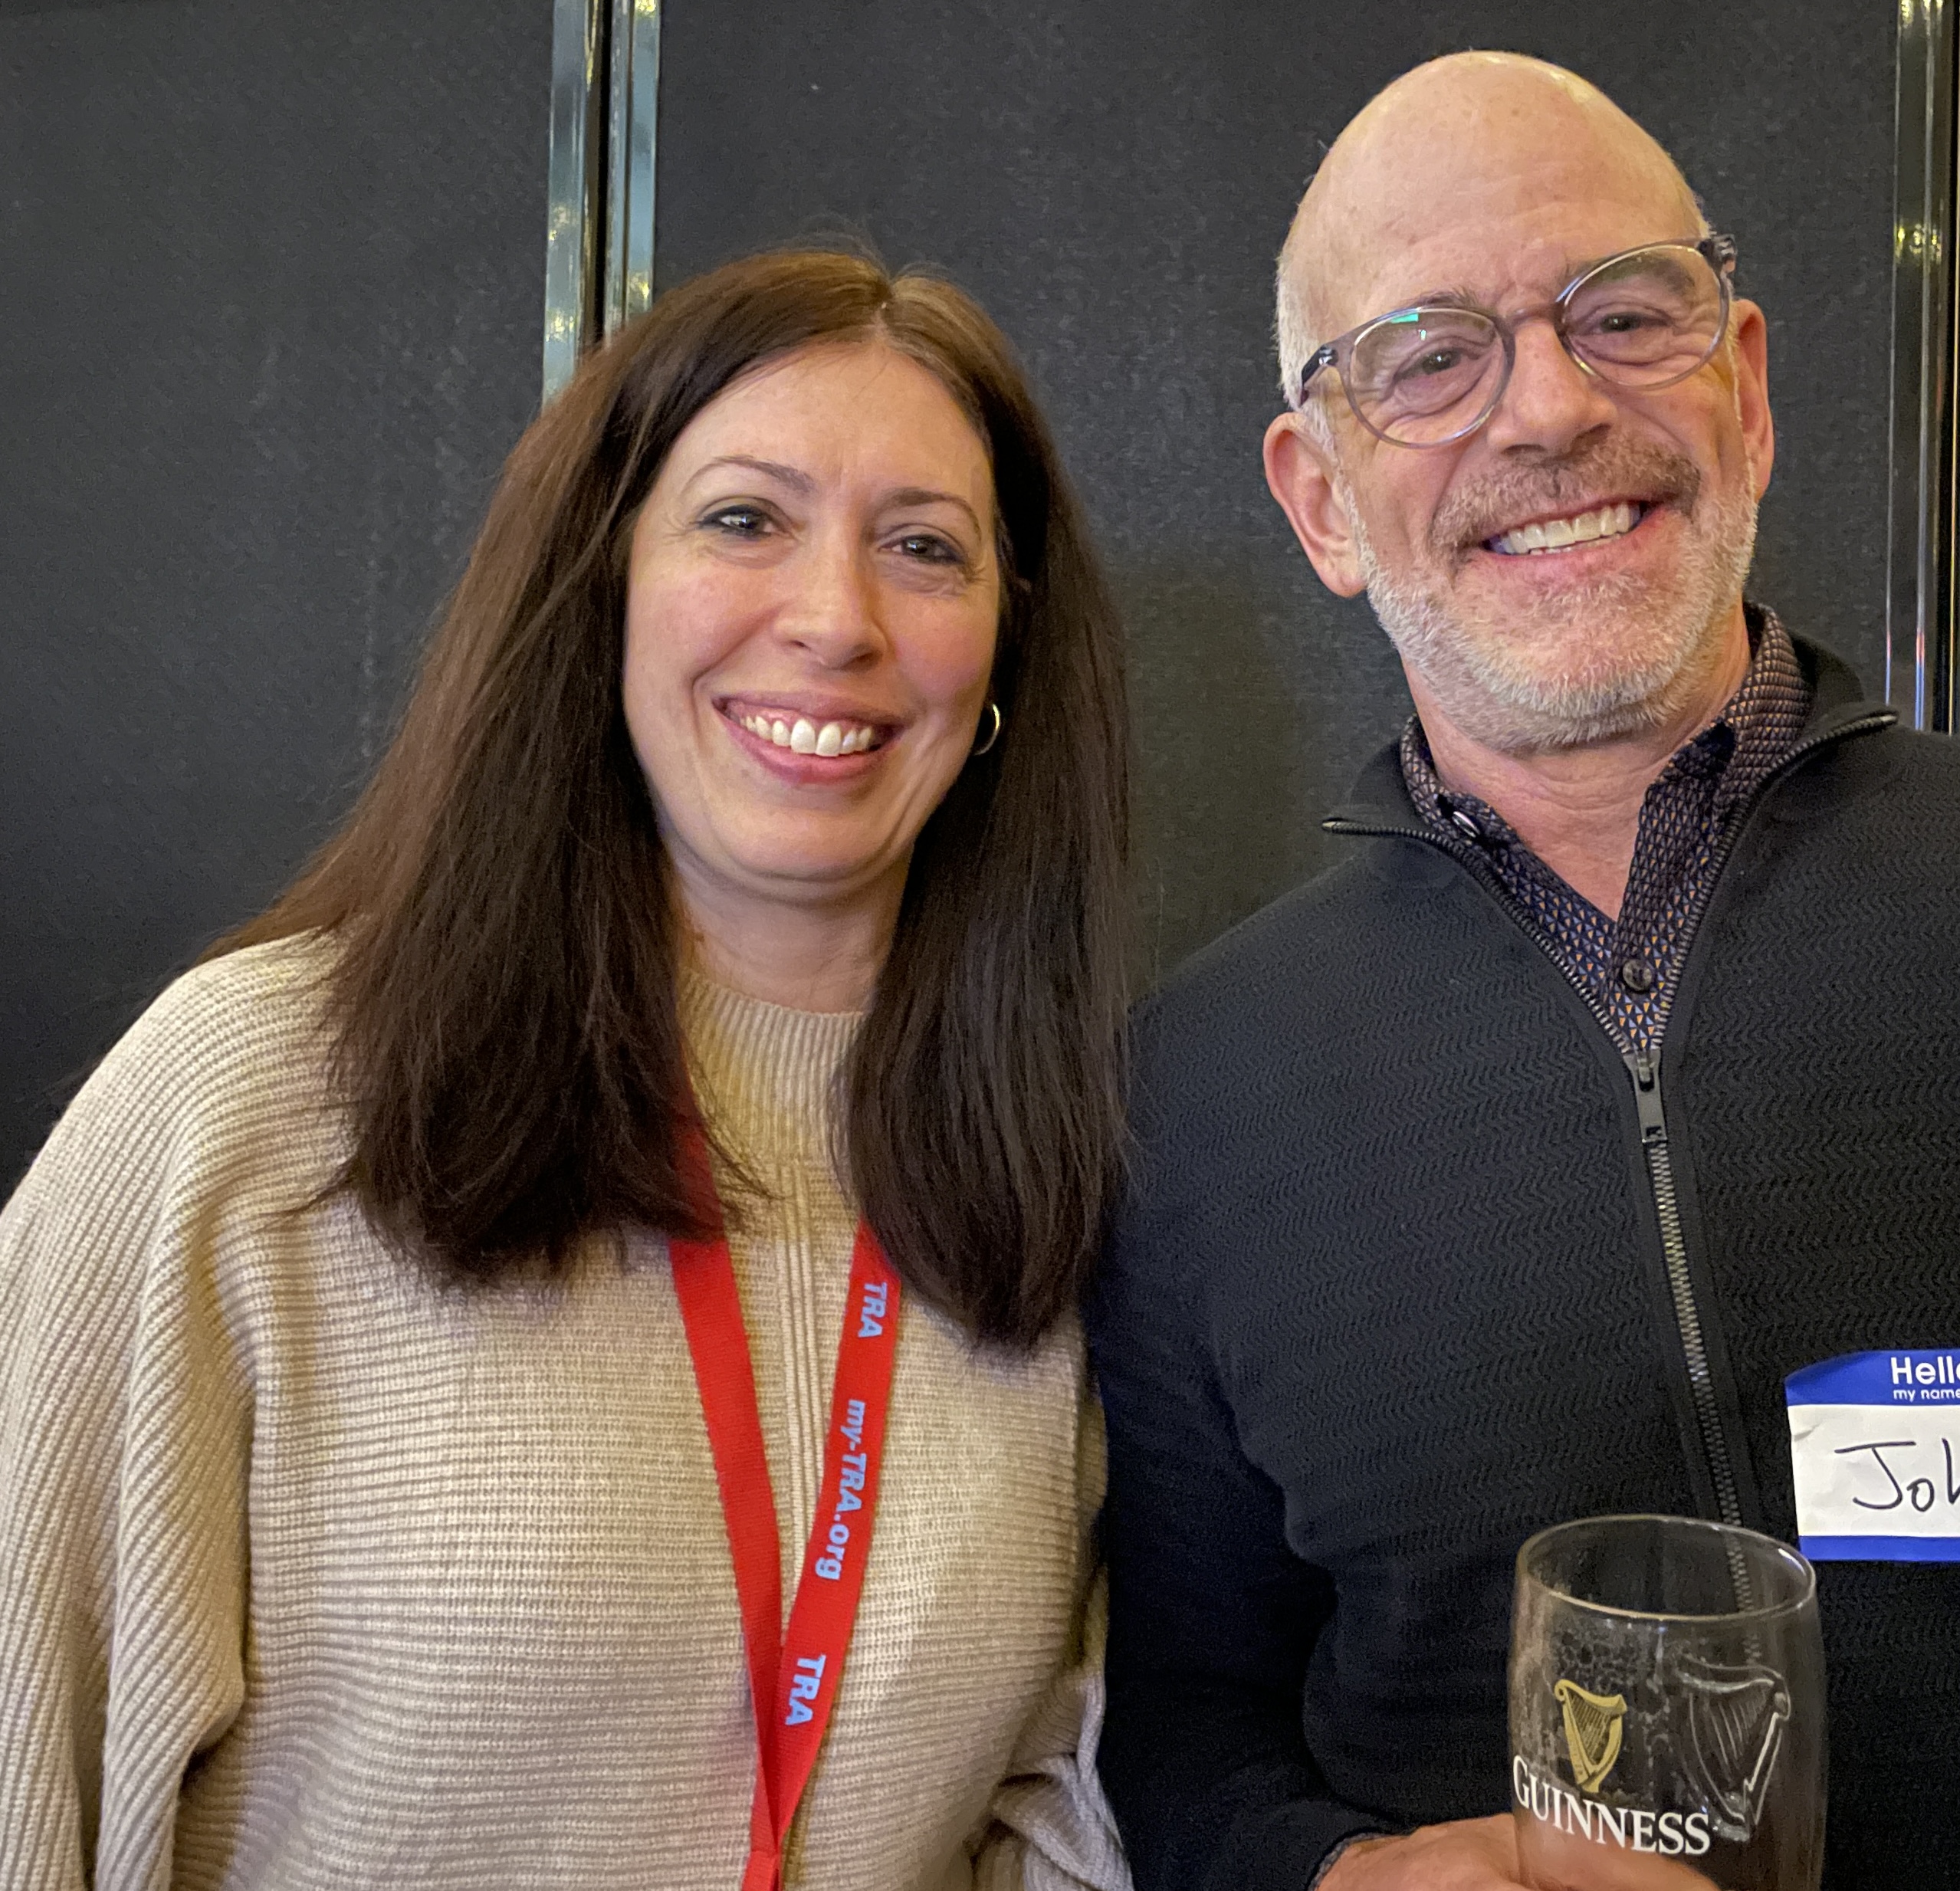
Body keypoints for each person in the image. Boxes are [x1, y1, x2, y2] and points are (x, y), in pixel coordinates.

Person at [1087, 51, 1960, 1891]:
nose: (1543, 407)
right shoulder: (1192, 1095)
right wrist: (1328, 1876)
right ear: (1320, 501)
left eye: (1622, 313)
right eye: (1427, 357)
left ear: (1744, 389)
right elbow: (1189, 1722)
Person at [0, 250, 1133, 1890]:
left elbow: (1064, 1799)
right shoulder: (249, 1092)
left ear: (1009, 651)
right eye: (744, 519)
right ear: (597, 584)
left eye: (924, 546)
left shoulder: (1069, 1161)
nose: (834, 617)